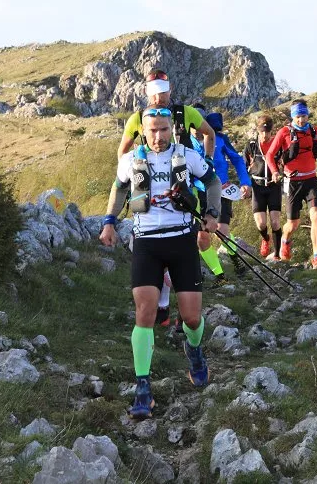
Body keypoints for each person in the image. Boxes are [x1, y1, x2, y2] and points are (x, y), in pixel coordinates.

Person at [100, 105, 222, 419]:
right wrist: (109, 222)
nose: (158, 136)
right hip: (146, 243)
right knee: (145, 312)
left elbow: (213, 182)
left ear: (172, 129)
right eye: (152, 130)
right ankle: (143, 388)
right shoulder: (130, 160)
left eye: (164, 129)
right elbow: (118, 188)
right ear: (143, 131)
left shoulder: (186, 156)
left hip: (181, 240)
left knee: (192, 318)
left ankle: (194, 350)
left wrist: (212, 214)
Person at [265, 100, 317, 269]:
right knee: (293, 224)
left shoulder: (314, 130)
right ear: (293, 116)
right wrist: (274, 171)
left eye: (304, 116)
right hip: (293, 182)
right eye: (298, 117)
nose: (301, 120)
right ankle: (285, 240)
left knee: (316, 215)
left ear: (307, 115)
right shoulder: (284, 132)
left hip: (311, 180)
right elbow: (270, 155)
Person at [194, 112, 251, 281]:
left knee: (222, 230)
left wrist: (245, 181)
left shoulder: (219, 139)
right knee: (202, 237)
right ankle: (220, 276)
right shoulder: (184, 142)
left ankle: (236, 259)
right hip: (199, 192)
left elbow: (237, 160)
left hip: (222, 188)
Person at [116, 69, 215, 159]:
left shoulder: (187, 112)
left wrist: (209, 160)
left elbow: (209, 133)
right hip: (153, 171)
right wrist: (127, 170)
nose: (158, 98)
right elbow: (122, 151)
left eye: (163, 92)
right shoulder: (138, 118)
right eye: (154, 93)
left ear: (170, 88)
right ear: (146, 92)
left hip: (186, 171)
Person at [244, 114, 284, 260]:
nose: (265, 135)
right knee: (261, 224)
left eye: (268, 132)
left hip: (273, 186)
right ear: (258, 130)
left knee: (275, 222)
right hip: (258, 186)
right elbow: (243, 166)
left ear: (272, 131)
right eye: (262, 132)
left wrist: (281, 171)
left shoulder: (278, 144)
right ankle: (266, 239)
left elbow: (285, 162)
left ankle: (277, 255)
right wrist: (245, 184)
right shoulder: (251, 145)